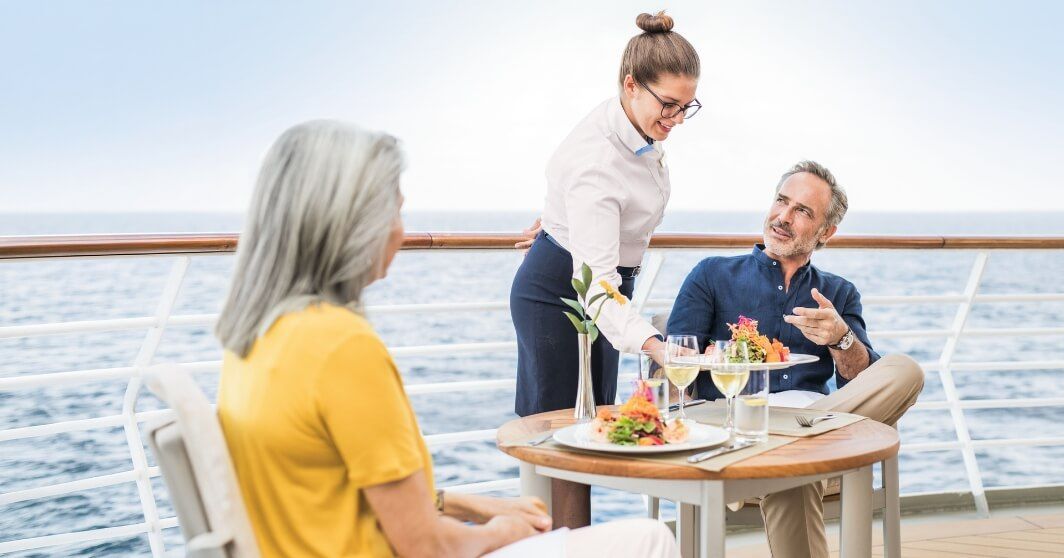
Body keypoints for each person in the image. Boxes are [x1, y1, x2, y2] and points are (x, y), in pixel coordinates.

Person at [215, 121, 678, 558]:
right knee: (651, 538)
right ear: (348, 226)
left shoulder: (256, 339)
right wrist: (500, 533)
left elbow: (343, 490)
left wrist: (477, 506)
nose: (399, 233)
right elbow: (424, 546)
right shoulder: (342, 349)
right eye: (393, 213)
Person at [665, 160, 925, 558]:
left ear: (826, 232)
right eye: (781, 201)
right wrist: (708, 362)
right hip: (737, 421)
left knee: (905, 369)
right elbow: (675, 368)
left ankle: (787, 447)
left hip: (818, 417)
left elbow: (861, 385)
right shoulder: (712, 275)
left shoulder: (838, 293)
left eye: (803, 211)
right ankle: (790, 449)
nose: (783, 217)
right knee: (800, 467)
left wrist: (842, 338)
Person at [509, 11, 701, 527]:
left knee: (592, 435)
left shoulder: (637, 123)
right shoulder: (598, 159)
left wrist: (559, 219)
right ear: (630, 85)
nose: (677, 120)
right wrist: (658, 347)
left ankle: (576, 543)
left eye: (687, 107)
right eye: (669, 106)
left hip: (601, 287)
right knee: (560, 448)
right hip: (562, 295)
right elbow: (595, 286)